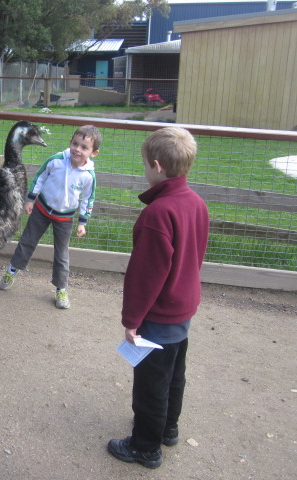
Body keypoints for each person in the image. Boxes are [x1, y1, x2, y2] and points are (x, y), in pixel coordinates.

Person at [107, 126, 209, 469]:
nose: (144, 171)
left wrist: (131, 321)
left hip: (159, 314)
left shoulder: (157, 214)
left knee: (151, 382)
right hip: (184, 306)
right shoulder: (196, 203)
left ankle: (145, 447)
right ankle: (168, 428)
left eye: (145, 165)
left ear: (157, 166)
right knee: (174, 373)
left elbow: (146, 276)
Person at [0, 125, 101, 309]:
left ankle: (61, 288)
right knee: (27, 241)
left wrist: (83, 222)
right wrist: (30, 200)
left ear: (93, 153)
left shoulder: (89, 176)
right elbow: (40, 178)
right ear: (70, 143)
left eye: (84, 147)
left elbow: (88, 199)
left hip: (65, 218)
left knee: (62, 253)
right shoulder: (56, 161)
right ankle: (12, 270)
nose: (77, 149)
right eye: (75, 144)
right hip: (42, 209)